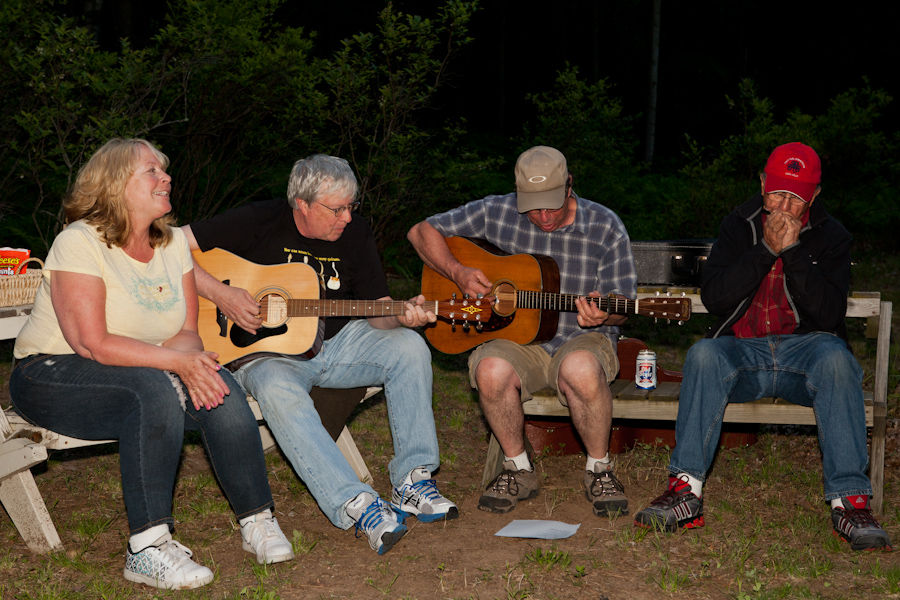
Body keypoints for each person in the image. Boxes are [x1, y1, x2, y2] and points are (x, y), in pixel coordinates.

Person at [9, 139, 294, 591]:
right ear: (117, 183)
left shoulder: (172, 242)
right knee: (155, 388)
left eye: (165, 170)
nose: (166, 178)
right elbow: (93, 342)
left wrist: (189, 363)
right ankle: (147, 546)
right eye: (152, 172)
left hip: (139, 368)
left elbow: (184, 330)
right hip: (51, 373)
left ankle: (256, 519)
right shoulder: (78, 242)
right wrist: (176, 366)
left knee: (217, 380)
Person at [182, 154, 457, 556]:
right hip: (266, 353)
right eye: (337, 209)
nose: (347, 217)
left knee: (408, 347)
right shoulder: (258, 219)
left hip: (340, 344)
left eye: (351, 206)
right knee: (276, 386)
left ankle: (412, 481)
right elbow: (169, 247)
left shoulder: (356, 232)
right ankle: (357, 503)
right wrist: (222, 294)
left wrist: (402, 315)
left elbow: (378, 311)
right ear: (302, 203)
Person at [633, 142, 892, 551]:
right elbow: (716, 298)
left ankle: (850, 505)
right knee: (703, 354)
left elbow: (828, 315)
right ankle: (686, 494)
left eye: (796, 197)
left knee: (839, 361)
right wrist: (765, 250)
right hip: (744, 353)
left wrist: (793, 253)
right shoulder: (738, 225)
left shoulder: (832, 236)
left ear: (815, 196)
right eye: (776, 194)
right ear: (761, 184)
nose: (785, 206)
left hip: (805, 353)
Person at [407, 146, 638, 517]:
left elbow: (622, 303)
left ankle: (599, 468)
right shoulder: (496, 210)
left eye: (552, 205)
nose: (544, 217)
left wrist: (604, 315)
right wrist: (458, 271)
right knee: (490, 370)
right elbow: (421, 232)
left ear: (569, 186)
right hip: (518, 342)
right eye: (533, 207)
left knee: (580, 368)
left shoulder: (604, 225)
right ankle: (518, 468)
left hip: (581, 338)